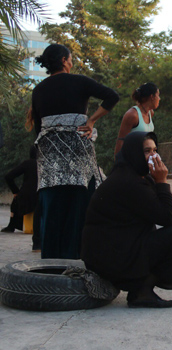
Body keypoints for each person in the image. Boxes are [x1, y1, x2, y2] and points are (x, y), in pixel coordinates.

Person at [82, 132, 172, 308]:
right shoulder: (127, 182)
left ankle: (142, 291)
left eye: (155, 150)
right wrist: (162, 182)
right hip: (109, 260)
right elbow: (167, 219)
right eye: (147, 151)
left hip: (122, 251)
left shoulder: (140, 177)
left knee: (163, 234)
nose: (153, 156)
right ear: (133, 153)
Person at [31, 44, 119, 259]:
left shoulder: (39, 89)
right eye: (70, 58)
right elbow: (112, 96)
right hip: (78, 160)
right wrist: (91, 120)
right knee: (79, 211)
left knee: (52, 212)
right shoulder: (79, 81)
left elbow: (37, 128)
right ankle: (78, 262)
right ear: (63, 60)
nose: (72, 62)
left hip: (50, 162)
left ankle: (51, 265)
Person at [114, 82, 160, 157]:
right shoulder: (133, 115)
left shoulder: (150, 113)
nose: (159, 99)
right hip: (133, 160)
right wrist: (118, 164)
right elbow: (121, 140)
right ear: (152, 97)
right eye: (158, 95)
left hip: (146, 159)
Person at [2, 146, 38, 236]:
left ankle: (11, 226)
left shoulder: (27, 164)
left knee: (15, 202)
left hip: (25, 199)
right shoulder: (46, 164)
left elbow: (8, 176)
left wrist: (16, 192)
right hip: (41, 196)